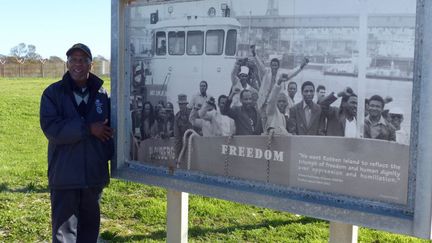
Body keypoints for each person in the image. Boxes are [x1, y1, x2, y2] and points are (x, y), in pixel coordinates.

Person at [39, 43, 114, 242]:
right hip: (65, 176)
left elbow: (112, 129)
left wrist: (106, 156)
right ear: (67, 64)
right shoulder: (53, 93)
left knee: (89, 231)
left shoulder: (102, 94)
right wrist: (88, 128)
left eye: (83, 60)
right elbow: (52, 129)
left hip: (93, 176)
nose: (77, 64)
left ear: (91, 65)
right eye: (73, 60)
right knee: (64, 234)